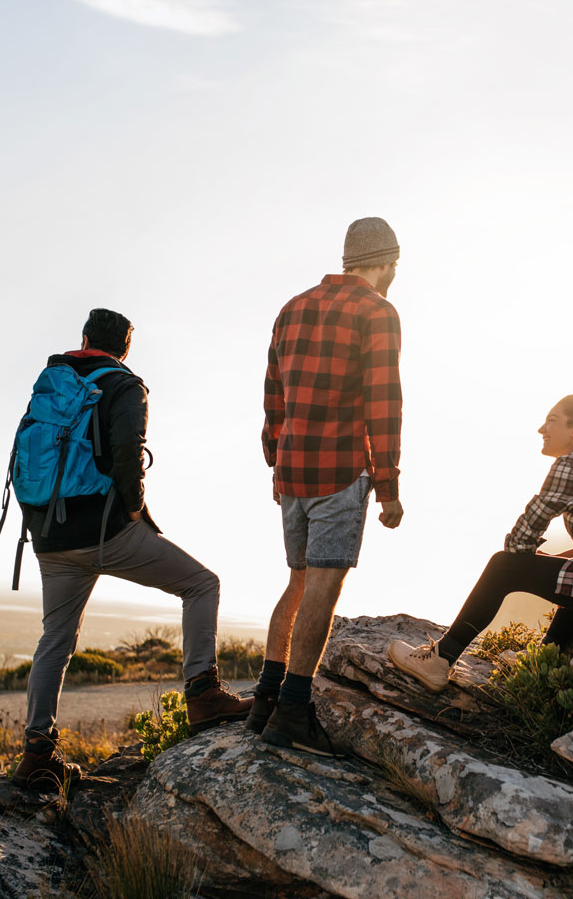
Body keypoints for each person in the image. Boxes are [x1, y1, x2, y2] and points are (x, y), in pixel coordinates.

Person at [13, 308, 250, 791]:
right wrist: (136, 511)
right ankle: (203, 695)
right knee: (201, 584)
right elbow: (127, 455)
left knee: (54, 642)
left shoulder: (51, 381)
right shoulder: (125, 385)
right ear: (125, 348)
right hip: (108, 532)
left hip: (49, 536)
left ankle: (38, 754)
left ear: (83, 338)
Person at [387, 394, 573, 692]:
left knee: (503, 566)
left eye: (551, 421)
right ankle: (547, 653)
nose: (542, 429)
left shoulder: (572, 465)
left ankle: (440, 660)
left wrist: (527, 559)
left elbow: (517, 544)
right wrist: (542, 560)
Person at [251, 218, 405, 756]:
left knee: (297, 580)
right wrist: (388, 486)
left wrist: (276, 462)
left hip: (293, 470)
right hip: (340, 469)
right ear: (387, 263)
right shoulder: (378, 312)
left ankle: (265, 699)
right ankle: (293, 710)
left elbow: (274, 398)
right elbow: (384, 405)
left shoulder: (291, 308)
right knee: (324, 585)